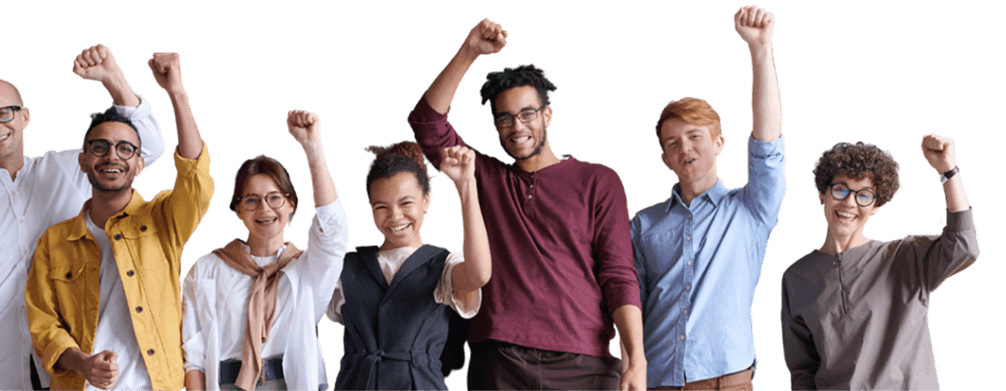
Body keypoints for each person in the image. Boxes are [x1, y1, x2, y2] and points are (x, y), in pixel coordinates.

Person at [408, 18, 645, 391]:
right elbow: (426, 122)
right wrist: (469, 52)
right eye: (504, 119)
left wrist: (636, 357)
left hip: (584, 363)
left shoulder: (599, 181)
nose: (516, 127)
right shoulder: (482, 175)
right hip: (501, 360)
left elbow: (618, 274)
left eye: (527, 114)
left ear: (548, 115)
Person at [0, 43, 166, 391]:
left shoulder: (69, 168)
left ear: (25, 117)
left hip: (66, 373)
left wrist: (116, 83)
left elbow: (148, 149)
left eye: (5, 112)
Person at [25, 51, 212, 391]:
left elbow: (195, 178)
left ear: (140, 165)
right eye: (101, 147)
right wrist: (83, 363)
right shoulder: (54, 242)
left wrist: (177, 93)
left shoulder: (164, 221)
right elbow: (42, 325)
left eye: (126, 149)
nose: (112, 155)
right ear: (83, 161)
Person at [632, 6, 785, 391]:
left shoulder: (751, 209)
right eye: (673, 143)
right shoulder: (642, 224)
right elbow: (629, 303)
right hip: (658, 380)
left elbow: (768, 146)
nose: (685, 148)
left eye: (695, 136)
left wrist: (761, 50)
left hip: (726, 381)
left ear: (718, 143)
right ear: (665, 159)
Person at [780, 135, 978, 390]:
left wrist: (948, 172)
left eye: (864, 195)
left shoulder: (906, 258)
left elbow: (964, 246)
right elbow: (802, 370)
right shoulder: (797, 277)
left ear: (876, 206)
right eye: (840, 189)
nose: (849, 202)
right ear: (822, 193)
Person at [182, 109, 346, 391]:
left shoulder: (308, 268)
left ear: (292, 204)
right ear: (237, 209)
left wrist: (313, 148)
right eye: (252, 200)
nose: (265, 209)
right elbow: (192, 354)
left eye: (274, 198)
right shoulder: (209, 268)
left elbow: (332, 231)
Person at [327, 141, 491, 390]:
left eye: (406, 203)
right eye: (381, 207)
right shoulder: (346, 267)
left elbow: (478, 274)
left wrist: (466, 184)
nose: (395, 217)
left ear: (426, 201)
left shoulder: (443, 266)